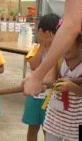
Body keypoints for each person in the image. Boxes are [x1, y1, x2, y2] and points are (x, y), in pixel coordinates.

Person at [23, 0, 82, 95]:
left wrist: (37, 77)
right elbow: (49, 78)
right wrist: (41, 83)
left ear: (81, 40)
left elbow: (71, 26)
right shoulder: (60, 61)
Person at [43, 17, 82, 141]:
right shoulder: (58, 59)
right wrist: (40, 82)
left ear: (81, 41)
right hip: (55, 117)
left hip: (77, 120)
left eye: (67, 42)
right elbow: (48, 80)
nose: (63, 46)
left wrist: (70, 86)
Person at [22, 13, 60, 141]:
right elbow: (33, 65)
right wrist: (42, 46)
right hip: (34, 96)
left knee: (47, 130)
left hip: (49, 97)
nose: (47, 37)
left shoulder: (59, 51)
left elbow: (53, 74)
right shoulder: (35, 48)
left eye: (51, 34)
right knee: (32, 128)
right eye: (43, 33)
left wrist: (52, 47)